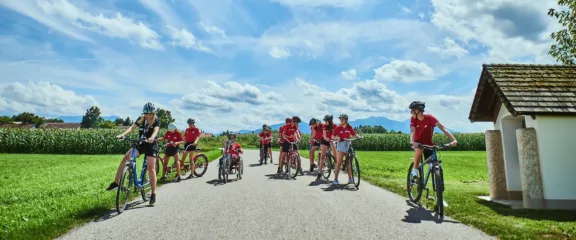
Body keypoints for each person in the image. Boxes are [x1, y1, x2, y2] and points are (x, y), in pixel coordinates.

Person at [107, 102, 159, 204]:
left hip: (151, 144)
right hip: (141, 143)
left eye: (150, 114)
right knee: (126, 157)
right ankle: (116, 183)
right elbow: (132, 127)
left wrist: (152, 137)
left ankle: (153, 194)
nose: (148, 116)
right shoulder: (141, 118)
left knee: (151, 168)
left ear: (153, 114)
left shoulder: (156, 120)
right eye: (146, 114)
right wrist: (123, 134)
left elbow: (156, 130)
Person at [409, 101, 457, 180]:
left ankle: (438, 183)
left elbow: (443, 128)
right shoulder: (413, 119)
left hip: (429, 144)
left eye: (412, 110)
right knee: (419, 149)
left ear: (417, 110)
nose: (411, 113)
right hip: (418, 144)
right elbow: (412, 130)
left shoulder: (430, 118)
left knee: (435, 161)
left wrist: (454, 140)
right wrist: (412, 141)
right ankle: (415, 170)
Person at [331, 113, 363, 185]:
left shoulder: (349, 127)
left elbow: (354, 134)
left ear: (346, 120)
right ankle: (335, 179)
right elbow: (332, 136)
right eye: (340, 119)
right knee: (339, 162)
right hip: (341, 145)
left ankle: (350, 179)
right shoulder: (338, 128)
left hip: (348, 144)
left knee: (348, 163)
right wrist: (337, 138)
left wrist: (359, 137)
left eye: (342, 119)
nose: (341, 120)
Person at [316, 114, 337, 180]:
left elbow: (337, 134)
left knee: (333, 145)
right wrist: (325, 137)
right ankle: (320, 172)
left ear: (330, 121)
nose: (325, 122)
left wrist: (336, 138)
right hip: (325, 140)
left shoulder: (335, 126)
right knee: (322, 156)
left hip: (332, 140)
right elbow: (324, 134)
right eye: (324, 121)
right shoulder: (324, 126)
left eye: (326, 121)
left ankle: (335, 159)